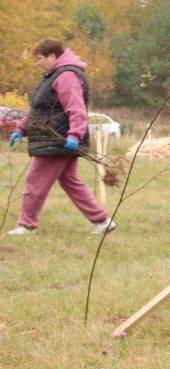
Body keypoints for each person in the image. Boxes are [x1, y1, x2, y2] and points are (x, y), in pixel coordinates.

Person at [6, 38, 116, 236]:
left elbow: (76, 108)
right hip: (55, 138)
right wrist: (21, 129)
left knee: (35, 181)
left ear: (52, 56)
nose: (37, 62)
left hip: (58, 140)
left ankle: (26, 225)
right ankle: (102, 221)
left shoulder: (66, 76)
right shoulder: (51, 75)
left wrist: (74, 135)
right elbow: (38, 108)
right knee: (70, 181)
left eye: (40, 58)